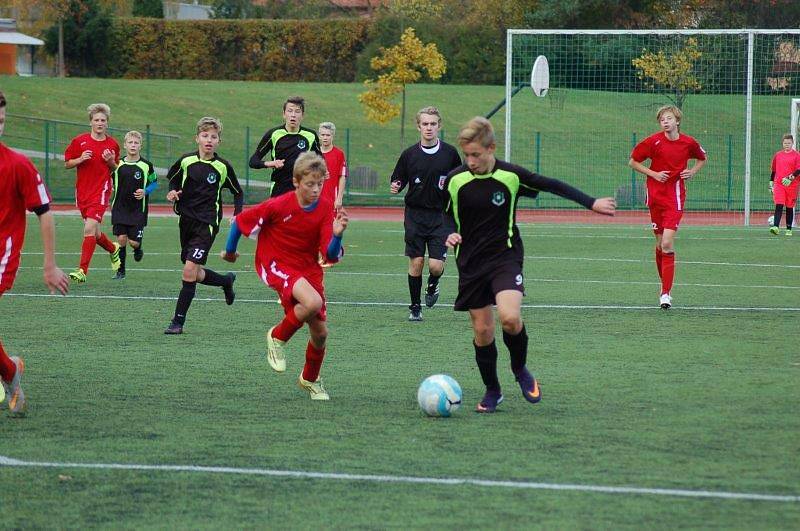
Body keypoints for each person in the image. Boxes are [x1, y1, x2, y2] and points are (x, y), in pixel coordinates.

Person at [444, 117, 616, 413]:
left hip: (505, 257)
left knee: (509, 318)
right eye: (466, 155)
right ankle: (492, 390)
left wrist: (590, 202)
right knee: (483, 331)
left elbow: (550, 184)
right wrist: (449, 231)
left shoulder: (511, 176)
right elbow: (445, 214)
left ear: (491, 148)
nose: (470, 161)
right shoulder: (455, 180)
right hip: (471, 263)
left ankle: (520, 369)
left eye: (476, 154)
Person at [221, 152, 348, 400]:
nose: (315, 189)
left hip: (307, 268)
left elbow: (329, 255)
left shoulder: (324, 209)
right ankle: (277, 337)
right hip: (276, 261)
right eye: (310, 184)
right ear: (296, 182)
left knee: (321, 334)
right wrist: (230, 250)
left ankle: (310, 379)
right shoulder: (279, 205)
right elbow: (239, 222)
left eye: (320, 184)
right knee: (312, 303)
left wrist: (338, 235)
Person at [0, 90, 70, 416]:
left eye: (0, 121)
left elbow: (44, 212)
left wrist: (50, 265)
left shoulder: (18, 165)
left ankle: (10, 373)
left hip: (3, 254)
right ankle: (10, 371)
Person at [164, 117, 243, 334]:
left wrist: (237, 214)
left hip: (207, 223)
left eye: (214, 137)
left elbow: (238, 192)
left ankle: (177, 322)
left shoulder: (222, 167)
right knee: (195, 272)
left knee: (189, 270)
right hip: (186, 221)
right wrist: (172, 191)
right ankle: (226, 281)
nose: (209, 140)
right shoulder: (186, 161)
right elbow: (173, 179)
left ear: (219, 141)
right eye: (205, 135)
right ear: (197, 138)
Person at [628, 105, 706, 309]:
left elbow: (701, 158)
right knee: (659, 244)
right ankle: (664, 286)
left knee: (667, 243)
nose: (665, 121)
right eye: (662, 119)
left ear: (677, 121)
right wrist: (653, 174)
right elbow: (633, 162)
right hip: (655, 197)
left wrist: (693, 171)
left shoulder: (688, 142)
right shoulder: (653, 141)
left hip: (675, 197)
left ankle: (665, 293)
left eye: (669, 118)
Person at [390, 106, 462, 321]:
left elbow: (458, 180)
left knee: (435, 265)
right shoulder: (409, 154)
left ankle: (433, 285)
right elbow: (398, 179)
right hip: (415, 215)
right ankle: (415, 308)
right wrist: (396, 185)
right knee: (417, 262)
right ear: (418, 126)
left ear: (439, 126)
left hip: (441, 216)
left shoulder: (450, 154)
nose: (429, 128)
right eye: (425, 124)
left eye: (433, 124)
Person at [64, 103, 122, 283]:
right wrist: (80, 159)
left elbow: (116, 169)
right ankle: (113, 249)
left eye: (103, 120)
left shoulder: (112, 144)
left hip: (101, 191)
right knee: (95, 234)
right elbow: (67, 163)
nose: (100, 123)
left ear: (107, 123)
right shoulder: (79, 141)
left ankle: (82, 270)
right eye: (96, 120)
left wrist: (111, 161)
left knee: (88, 229)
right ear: (90, 122)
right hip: (82, 193)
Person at [249, 96, 322, 198]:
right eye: (290, 111)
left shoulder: (311, 136)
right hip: (279, 189)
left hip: (302, 190)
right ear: (284, 114)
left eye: (297, 111)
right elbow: (253, 161)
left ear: (302, 115)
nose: (293, 115)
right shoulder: (274, 134)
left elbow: (320, 161)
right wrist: (270, 163)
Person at [110, 130, 158, 280]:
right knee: (122, 239)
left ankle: (138, 249)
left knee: (133, 242)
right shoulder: (118, 164)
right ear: (125, 145)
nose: (133, 145)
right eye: (130, 142)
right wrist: (110, 185)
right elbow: (108, 177)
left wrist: (145, 191)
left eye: (136, 143)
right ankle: (120, 271)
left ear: (140, 146)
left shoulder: (146, 165)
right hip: (119, 208)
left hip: (138, 210)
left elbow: (154, 182)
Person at [768, 133, 800, 236]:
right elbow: (773, 170)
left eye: (789, 143)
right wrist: (771, 182)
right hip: (779, 184)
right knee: (779, 204)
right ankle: (775, 227)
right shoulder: (778, 155)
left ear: (792, 143)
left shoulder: (797, 155)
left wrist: (790, 178)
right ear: (782, 143)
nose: (787, 145)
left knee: (789, 207)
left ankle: (788, 229)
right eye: (785, 143)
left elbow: (799, 169)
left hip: (792, 185)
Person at [318, 121, 347, 212]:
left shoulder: (339, 154)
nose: (325, 138)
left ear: (332, 136)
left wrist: (339, 198)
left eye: (328, 135)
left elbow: (342, 176)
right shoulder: (314, 153)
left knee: (331, 225)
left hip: (331, 199)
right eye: (322, 135)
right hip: (314, 199)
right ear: (319, 136)